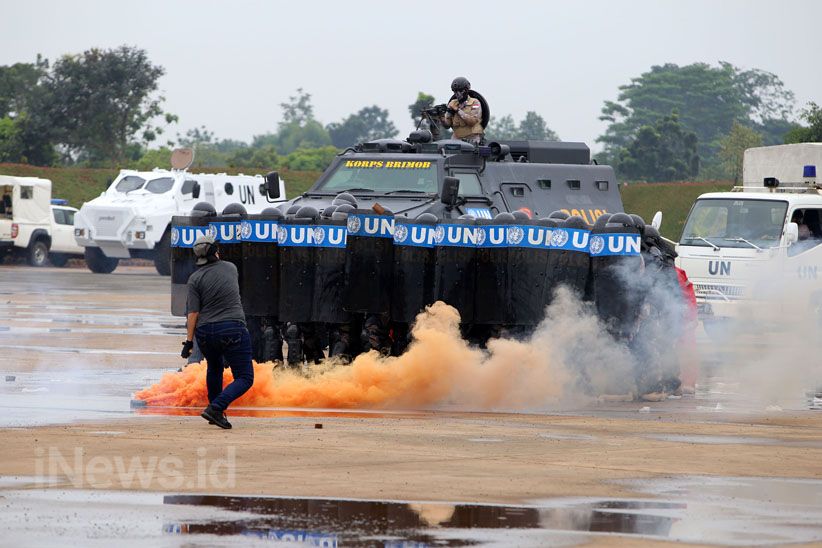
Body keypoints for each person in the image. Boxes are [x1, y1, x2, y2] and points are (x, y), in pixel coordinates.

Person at [181, 233, 254, 429]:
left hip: (205, 333)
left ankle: (216, 412)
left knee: (214, 368)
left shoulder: (194, 279)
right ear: (215, 252)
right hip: (232, 328)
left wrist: (189, 342)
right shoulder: (231, 268)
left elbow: (193, 313)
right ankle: (217, 407)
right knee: (245, 377)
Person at [441, 77, 484, 145]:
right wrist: (442, 118)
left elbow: (472, 122)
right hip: (456, 138)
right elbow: (447, 125)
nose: (457, 94)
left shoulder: (475, 103)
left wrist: (458, 110)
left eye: (460, 91)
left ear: (466, 90)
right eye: (455, 91)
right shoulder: (452, 103)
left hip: (472, 138)